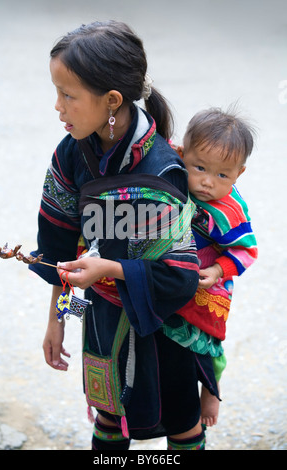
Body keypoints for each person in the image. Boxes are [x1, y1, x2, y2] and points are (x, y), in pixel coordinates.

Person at [29, 21, 217, 451]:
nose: (57, 106)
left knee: (182, 424)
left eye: (68, 95)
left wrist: (109, 269)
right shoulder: (70, 153)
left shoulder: (162, 169)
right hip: (103, 319)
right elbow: (60, 252)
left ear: (112, 101)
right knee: (109, 423)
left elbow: (178, 277)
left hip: (166, 328)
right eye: (57, 92)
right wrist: (58, 319)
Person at [169, 107, 258, 426]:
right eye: (200, 167)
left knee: (208, 347)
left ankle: (210, 390)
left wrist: (219, 270)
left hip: (211, 283)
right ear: (182, 154)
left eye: (223, 175)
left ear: (239, 174)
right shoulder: (170, 176)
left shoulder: (231, 209)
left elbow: (247, 251)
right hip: (174, 278)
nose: (208, 182)